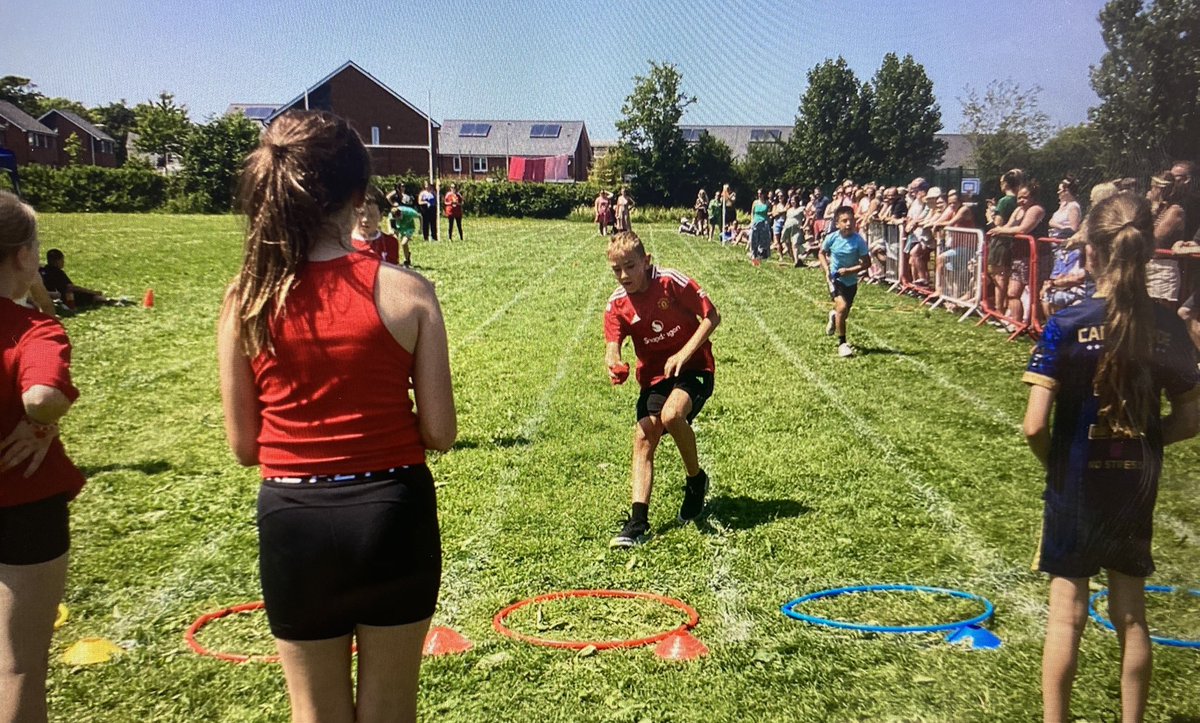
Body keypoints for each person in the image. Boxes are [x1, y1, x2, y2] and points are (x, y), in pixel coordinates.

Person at [217, 111, 455, 723]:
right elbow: (440, 432)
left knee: (315, 712)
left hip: (294, 520)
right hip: (390, 515)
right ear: (358, 193)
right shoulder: (408, 292)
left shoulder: (248, 296)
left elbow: (245, 446)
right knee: (390, 708)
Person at [1022, 192, 1199, 723]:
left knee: (1065, 618)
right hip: (1135, 481)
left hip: (1076, 478)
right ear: (1145, 251)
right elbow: (1192, 416)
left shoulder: (1068, 322)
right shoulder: (1166, 325)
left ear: (1092, 253)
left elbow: (1033, 425)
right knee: (1132, 615)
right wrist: (1147, 441)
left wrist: (1057, 459)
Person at [0, 191, 86, 723]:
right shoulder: (33, 328)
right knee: (17, 667)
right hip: (23, 506)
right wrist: (40, 422)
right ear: (26, 257)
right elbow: (43, 395)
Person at [603, 231, 720, 548]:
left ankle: (696, 481)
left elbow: (711, 316)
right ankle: (638, 522)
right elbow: (612, 345)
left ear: (646, 261)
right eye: (617, 269)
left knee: (671, 415)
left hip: (694, 367)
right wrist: (615, 362)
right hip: (655, 377)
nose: (624, 275)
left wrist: (683, 354)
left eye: (630, 266)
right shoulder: (617, 304)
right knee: (643, 437)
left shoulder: (670, 282)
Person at [819, 206, 870, 358]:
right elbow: (821, 253)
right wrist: (827, 270)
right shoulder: (832, 238)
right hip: (835, 278)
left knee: (843, 313)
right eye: (844, 221)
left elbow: (867, 263)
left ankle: (834, 317)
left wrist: (850, 271)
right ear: (837, 223)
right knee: (842, 306)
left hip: (851, 281)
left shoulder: (858, 241)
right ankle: (842, 344)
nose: (848, 224)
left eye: (851, 220)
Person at [39, 249, 110, 308]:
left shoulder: (42, 270)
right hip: (64, 298)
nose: (63, 262)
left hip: (46, 297)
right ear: (57, 261)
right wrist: (92, 292)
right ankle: (112, 302)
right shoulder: (58, 272)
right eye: (62, 260)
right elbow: (70, 287)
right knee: (94, 297)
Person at [352, 188, 402, 266]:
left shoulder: (390, 243)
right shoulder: (343, 242)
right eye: (361, 213)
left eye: (372, 215)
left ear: (381, 216)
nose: (365, 219)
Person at [386, 201, 420, 268]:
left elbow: (420, 216)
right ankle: (394, 260)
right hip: (399, 227)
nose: (399, 219)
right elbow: (388, 220)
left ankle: (407, 260)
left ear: (401, 213)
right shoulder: (392, 214)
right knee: (393, 241)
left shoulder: (409, 212)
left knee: (404, 243)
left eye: (399, 217)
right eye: (397, 219)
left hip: (409, 227)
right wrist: (390, 230)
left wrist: (421, 228)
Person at [748, 189, 772, 266]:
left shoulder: (767, 203)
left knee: (762, 241)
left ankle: (759, 257)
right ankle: (753, 255)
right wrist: (752, 221)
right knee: (754, 240)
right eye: (758, 193)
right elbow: (752, 212)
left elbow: (770, 213)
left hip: (764, 223)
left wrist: (768, 221)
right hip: (755, 222)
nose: (759, 195)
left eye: (761, 193)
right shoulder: (755, 202)